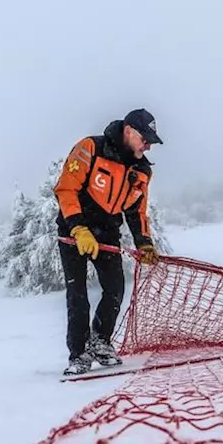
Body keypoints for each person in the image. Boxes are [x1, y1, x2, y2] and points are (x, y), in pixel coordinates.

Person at [53, 108, 162, 375]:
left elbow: (136, 210)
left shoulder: (142, 169)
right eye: (145, 139)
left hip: (108, 234)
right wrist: (79, 229)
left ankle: (101, 342)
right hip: (73, 231)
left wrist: (144, 242)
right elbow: (66, 188)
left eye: (150, 142)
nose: (148, 146)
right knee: (77, 294)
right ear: (129, 131)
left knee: (115, 289)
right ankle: (79, 354)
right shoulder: (91, 148)